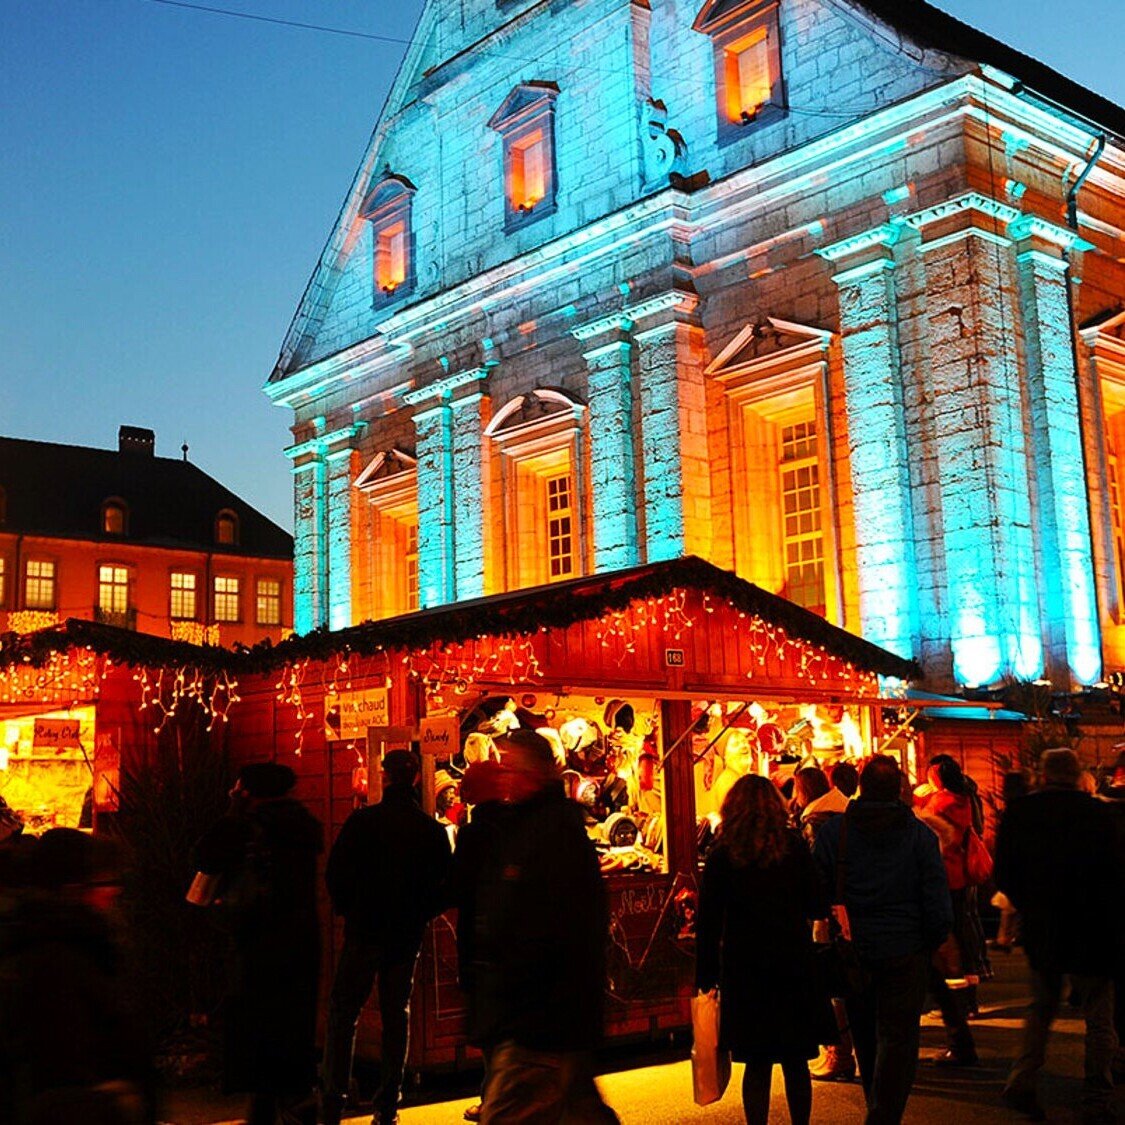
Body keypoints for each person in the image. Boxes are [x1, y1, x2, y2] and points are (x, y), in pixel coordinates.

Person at [467, 728, 617, 1124]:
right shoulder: (531, 825)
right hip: (546, 1014)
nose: (503, 776)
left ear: (531, 773)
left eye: (509, 767)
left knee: (508, 1114)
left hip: (540, 1014)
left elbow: (566, 925)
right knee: (576, 1109)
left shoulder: (551, 831)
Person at [814, 755, 952, 1125]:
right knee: (899, 1038)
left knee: (865, 1035)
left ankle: (877, 1107)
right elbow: (937, 901)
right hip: (905, 950)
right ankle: (884, 1114)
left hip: (853, 950)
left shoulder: (834, 833)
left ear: (861, 787)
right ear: (898, 791)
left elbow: (816, 890)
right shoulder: (919, 836)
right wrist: (929, 942)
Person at [321, 749, 452, 1125]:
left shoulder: (363, 823)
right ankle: (388, 1103)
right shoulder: (430, 830)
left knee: (344, 1012)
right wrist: (419, 913)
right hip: (404, 934)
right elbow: (445, 885)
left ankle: (333, 1099)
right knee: (397, 1015)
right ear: (414, 778)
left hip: (365, 930)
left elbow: (336, 874)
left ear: (385, 775)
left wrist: (350, 909)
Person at [696, 775, 835, 1124]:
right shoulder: (792, 846)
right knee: (795, 1060)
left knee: (756, 1063)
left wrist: (706, 975)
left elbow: (709, 921)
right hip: (793, 962)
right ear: (776, 806)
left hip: (745, 967)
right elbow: (817, 904)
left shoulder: (722, 854)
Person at [995, 747, 1123, 1123]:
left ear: (1043, 774)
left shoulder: (1022, 813)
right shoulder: (1099, 814)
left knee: (1041, 1008)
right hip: (1093, 929)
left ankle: (1022, 1080)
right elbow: (1115, 873)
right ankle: (1097, 1096)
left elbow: (1005, 873)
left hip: (1044, 927)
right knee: (1100, 1016)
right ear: (1077, 773)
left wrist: (1030, 905)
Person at [193, 761, 322, 1125]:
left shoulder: (247, 828)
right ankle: (295, 1101)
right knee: (291, 1028)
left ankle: (267, 1107)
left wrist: (233, 811)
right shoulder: (303, 827)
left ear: (247, 790)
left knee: (258, 1032)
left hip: (256, 943)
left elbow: (205, 855)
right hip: (300, 943)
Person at [0, 829, 153, 1124]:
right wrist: (118, 1103)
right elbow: (57, 1078)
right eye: (104, 882)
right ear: (73, 889)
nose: (115, 890)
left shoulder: (81, 948)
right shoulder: (56, 960)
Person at [799, 760, 859, 1084]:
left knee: (830, 981)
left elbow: (812, 872)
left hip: (828, 913)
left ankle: (838, 1054)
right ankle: (852, 1052)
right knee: (850, 980)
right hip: (856, 908)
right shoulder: (851, 814)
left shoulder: (814, 821)